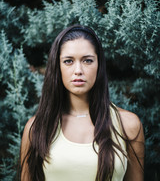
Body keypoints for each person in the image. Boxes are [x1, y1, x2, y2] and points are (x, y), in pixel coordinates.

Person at [20, 25, 145, 181]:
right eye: (68, 61)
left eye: (87, 60)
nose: (78, 70)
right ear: (57, 67)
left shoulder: (128, 125)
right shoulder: (36, 129)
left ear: (99, 65)